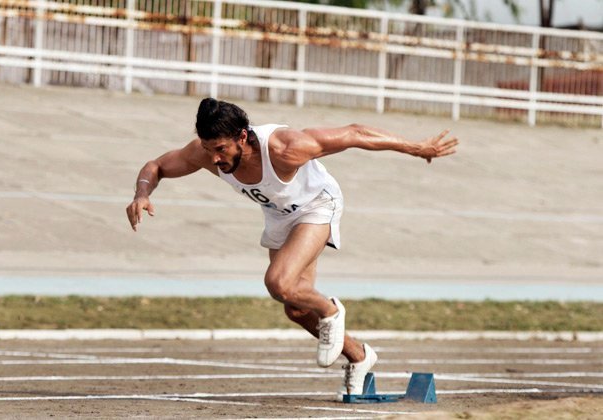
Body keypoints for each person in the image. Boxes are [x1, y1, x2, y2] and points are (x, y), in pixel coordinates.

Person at [126, 98, 458, 399]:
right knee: (296, 308)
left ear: (243, 137)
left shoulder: (286, 148)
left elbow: (355, 133)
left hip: (317, 205)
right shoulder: (206, 153)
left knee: (279, 282)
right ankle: (359, 356)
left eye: (221, 149)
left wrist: (416, 147)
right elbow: (156, 166)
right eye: (208, 148)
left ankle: (331, 311)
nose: (214, 158)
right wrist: (142, 194)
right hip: (279, 215)